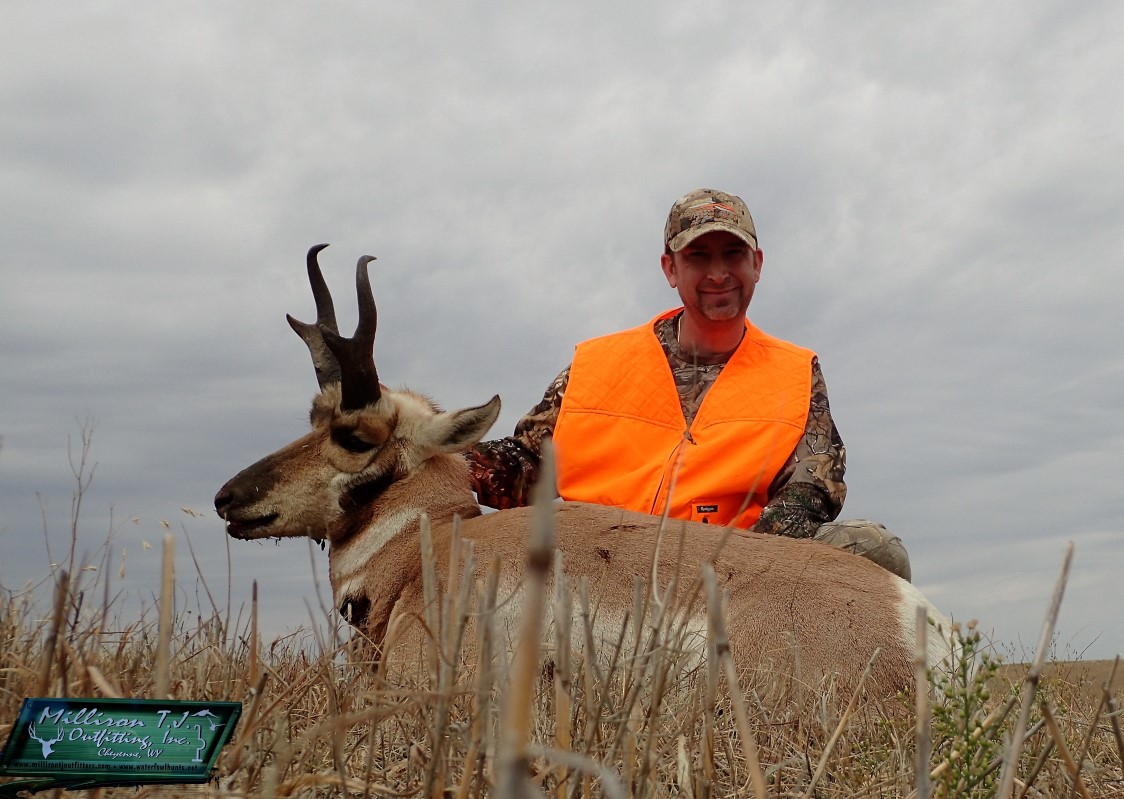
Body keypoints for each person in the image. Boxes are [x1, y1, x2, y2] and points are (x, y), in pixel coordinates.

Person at [469, 188, 911, 581]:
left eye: (732, 255)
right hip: (596, 567)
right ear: (670, 268)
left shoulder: (795, 372)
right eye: (698, 257)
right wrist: (435, 447)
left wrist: (732, 567)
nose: (718, 273)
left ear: (756, 264)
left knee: (875, 549)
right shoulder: (598, 364)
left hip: (735, 575)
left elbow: (812, 489)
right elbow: (525, 467)